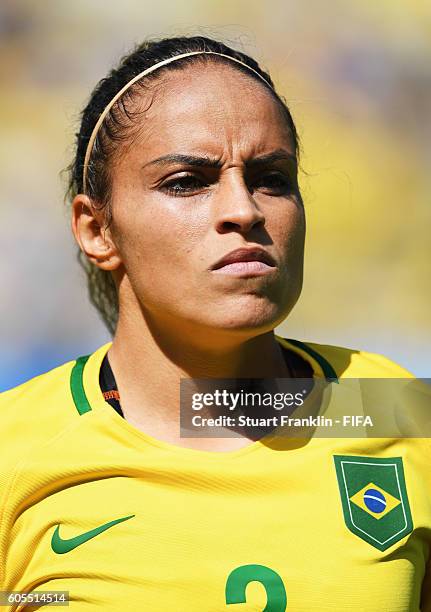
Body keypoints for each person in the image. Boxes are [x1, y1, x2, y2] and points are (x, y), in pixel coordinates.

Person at [0, 35, 429, 612]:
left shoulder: (400, 411)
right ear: (96, 230)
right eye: (187, 181)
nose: (245, 209)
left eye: (272, 177)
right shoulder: (15, 450)